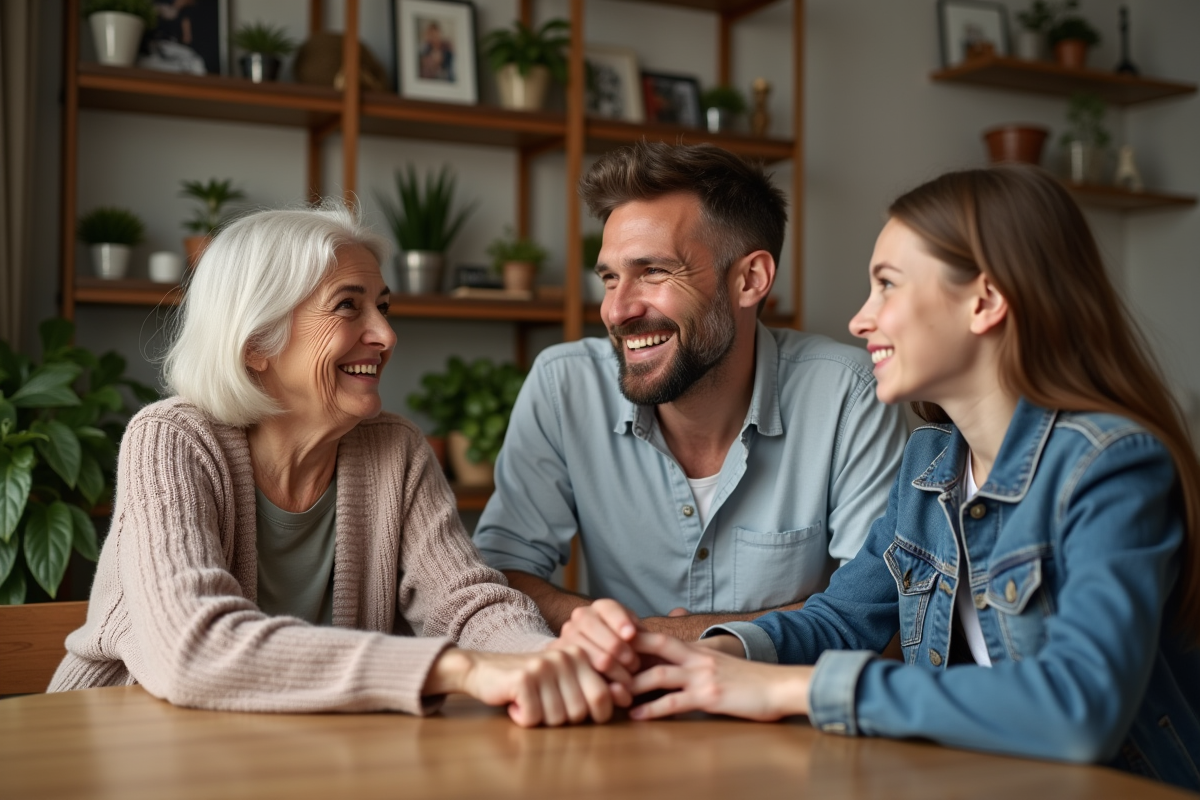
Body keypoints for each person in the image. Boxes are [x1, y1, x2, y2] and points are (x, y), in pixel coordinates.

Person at [564, 165, 1200, 789]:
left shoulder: (1111, 464)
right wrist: (711, 657)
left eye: (887, 285)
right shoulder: (931, 467)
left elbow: (1079, 708)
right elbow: (841, 622)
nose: (859, 319)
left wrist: (792, 687)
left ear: (984, 300)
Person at [49, 204, 618, 728]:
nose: (387, 335)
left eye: (384, 306)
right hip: (120, 745)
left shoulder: (395, 450)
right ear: (255, 341)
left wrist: (545, 658)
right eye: (348, 305)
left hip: (303, 752)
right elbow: (190, 647)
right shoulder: (173, 441)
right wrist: (458, 669)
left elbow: (468, 605)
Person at [474, 142, 909, 639]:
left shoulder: (847, 396)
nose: (616, 311)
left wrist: (661, 638)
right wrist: (643, 638)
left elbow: (886, 615)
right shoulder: (564, 385)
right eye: (610, 278)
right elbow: (499, 581)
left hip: (787, 712)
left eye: (654, 271)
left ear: (750, 279)